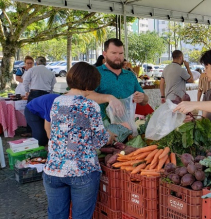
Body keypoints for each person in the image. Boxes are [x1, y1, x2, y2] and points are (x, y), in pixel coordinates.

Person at [43, 62, 115, 219]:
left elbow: (70, 129)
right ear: (91, 82)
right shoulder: (90, 105)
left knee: (56, 215)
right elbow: (99, 141)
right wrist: (111, 133)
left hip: (53, 170)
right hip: (82, 171)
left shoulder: (57, 101)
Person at [88, 38, 148, 118]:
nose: (118, 56)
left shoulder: (130, 75)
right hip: (102, 126)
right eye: (114, 53)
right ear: (104, 54)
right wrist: (109, 98)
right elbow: (86, 96)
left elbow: (145, 101)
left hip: (127, 125)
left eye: (121, 53)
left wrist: (142, 97)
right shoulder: (94, 73)